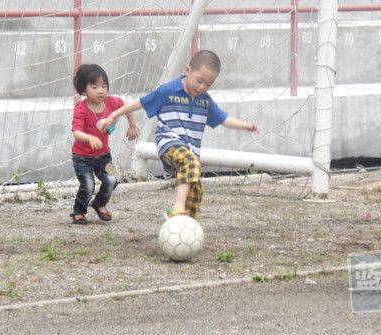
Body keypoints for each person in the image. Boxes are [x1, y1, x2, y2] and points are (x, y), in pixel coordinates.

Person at [99, 50, 258, 220]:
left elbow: (224, 119)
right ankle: (178, 207)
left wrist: (245, 125)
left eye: (209, 84)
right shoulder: (168, 91)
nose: (203, 87)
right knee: (189, 162)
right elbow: (140, 103)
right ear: (188, 70)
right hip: (169, 142)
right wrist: (113, 115)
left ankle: (184, 223)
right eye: (200, 80)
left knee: (195, 190)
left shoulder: (205, 100)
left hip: (190, 150)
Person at [70, 64, 139, 224]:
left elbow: (126, 107)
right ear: (83, 90)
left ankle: (99, 203)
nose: (100, 90)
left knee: (113, 179)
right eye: (94, 87)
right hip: (82, 158)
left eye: (104, 86)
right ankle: (78, 212)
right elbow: (76, 132)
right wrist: (89, 138)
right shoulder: (80, 108)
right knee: (88, 185)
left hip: (104, 157)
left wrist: (132, 125)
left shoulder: (111, 102)